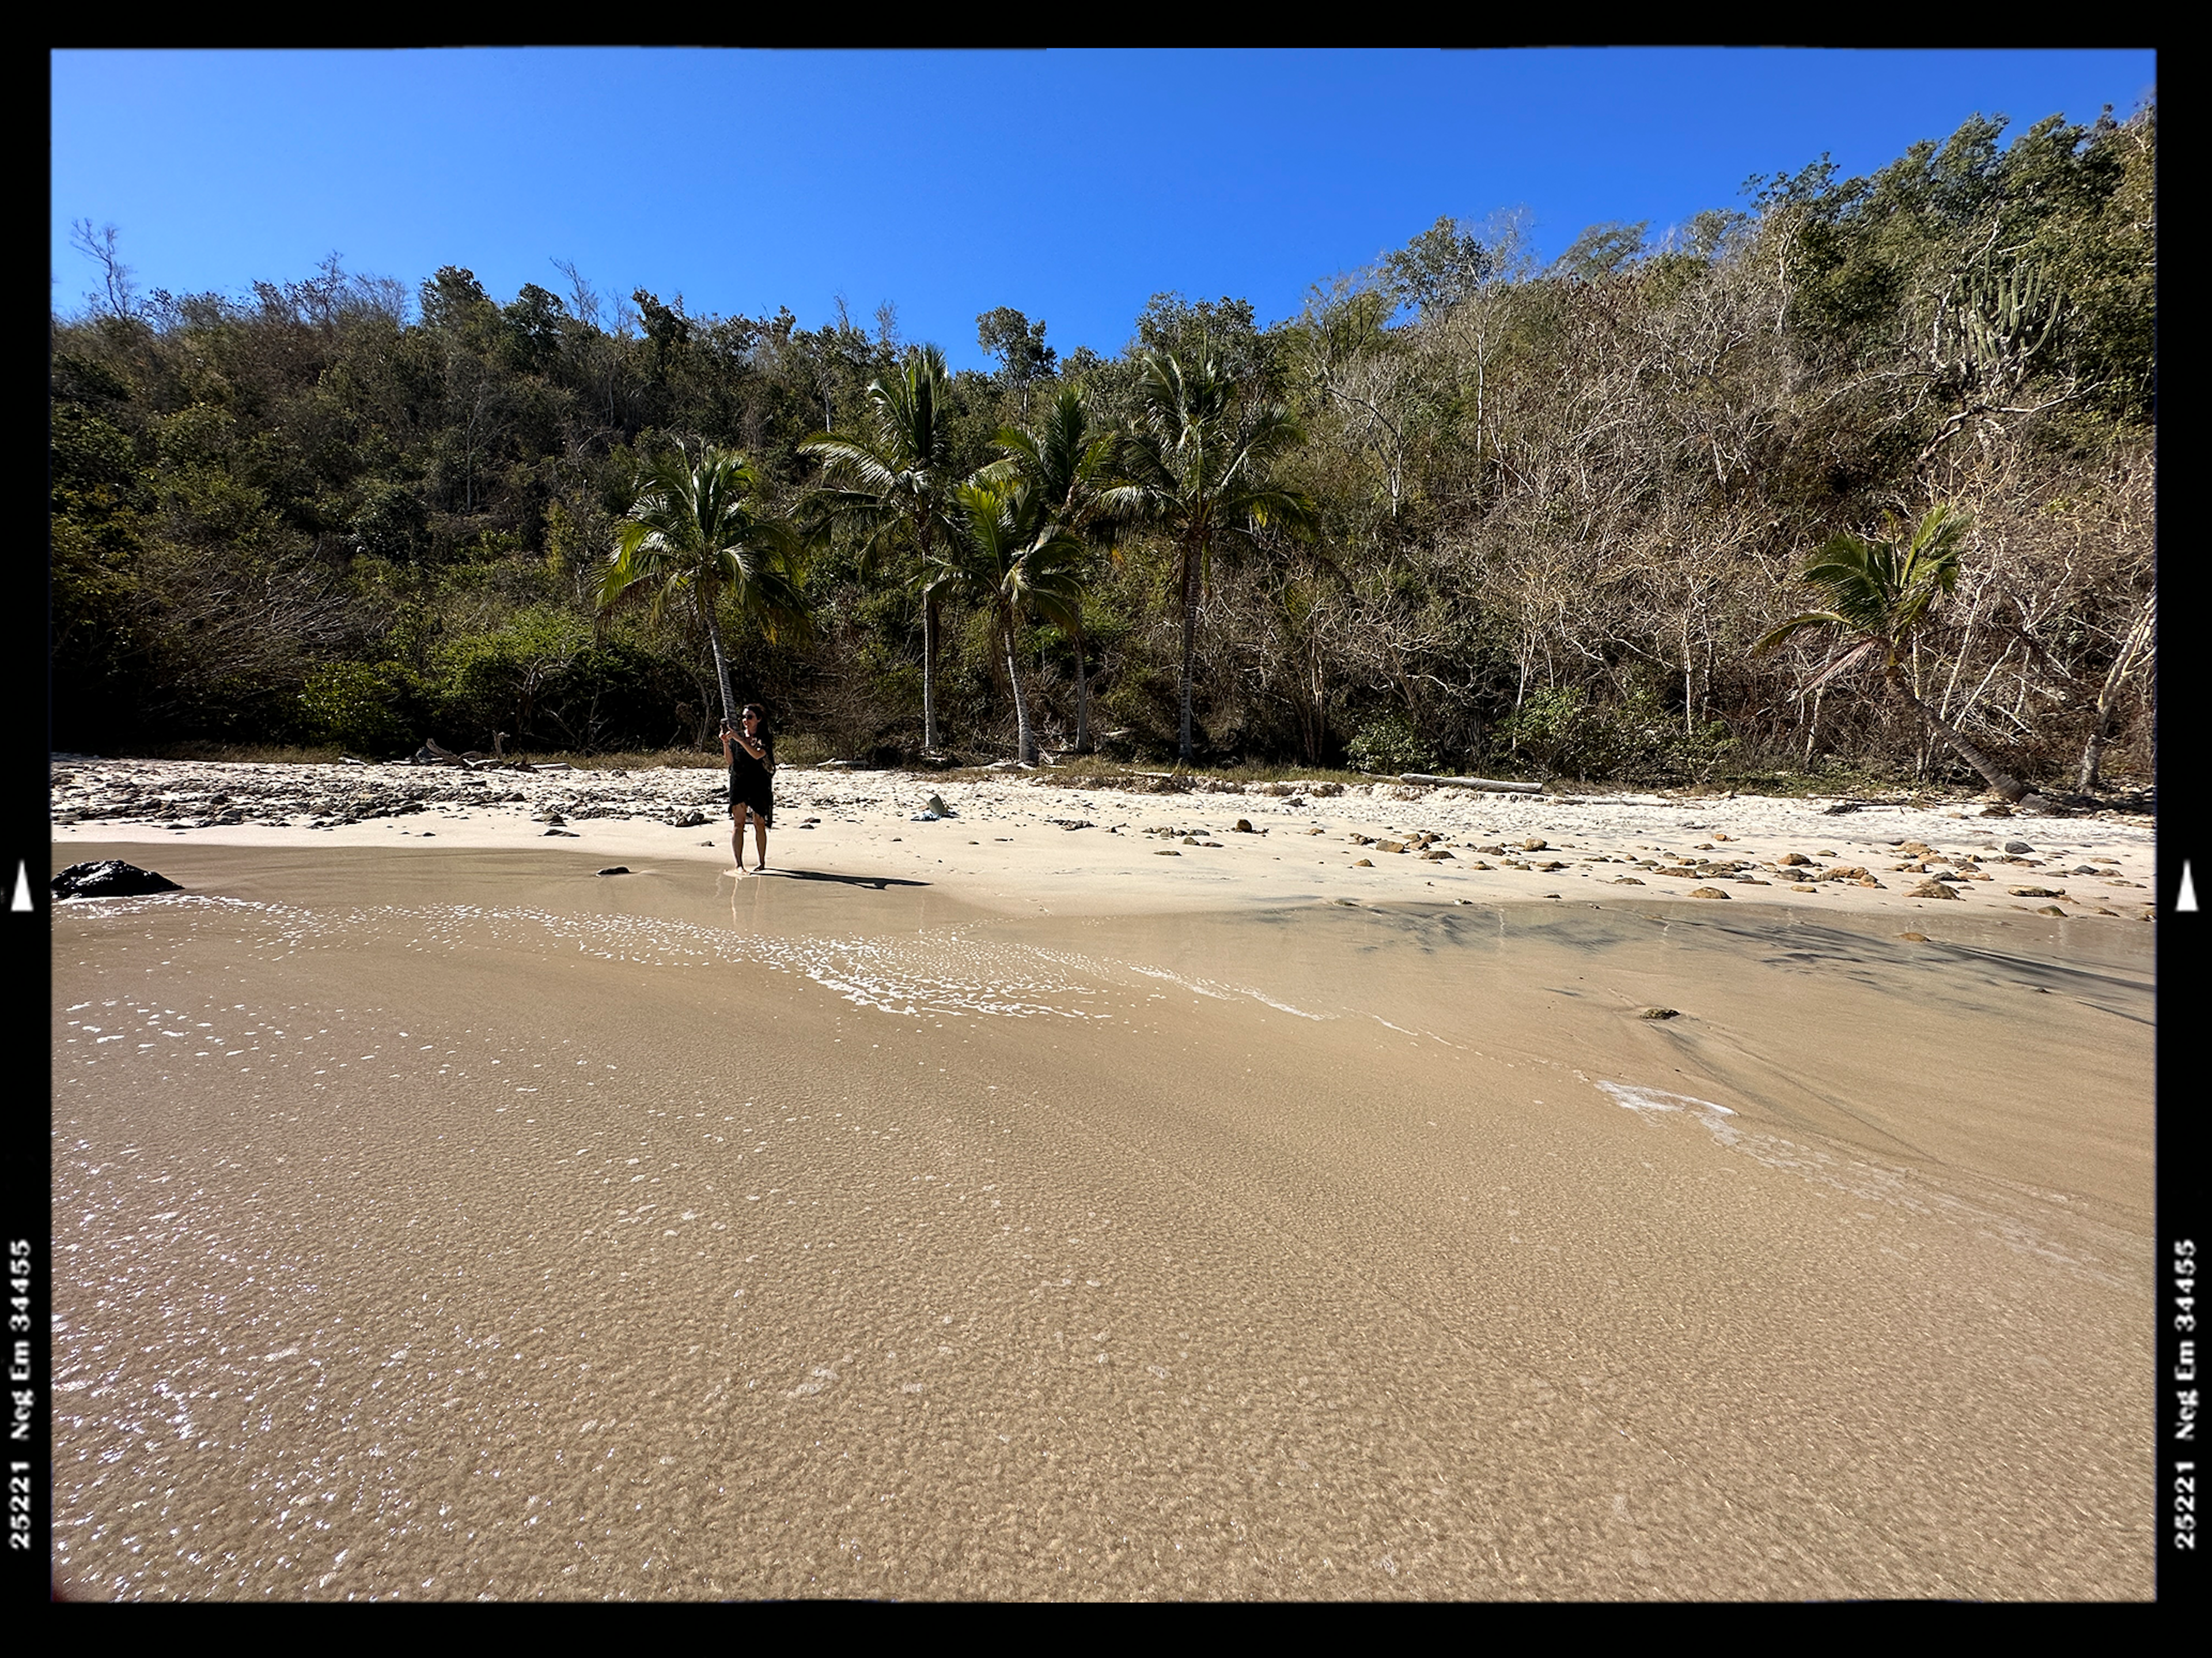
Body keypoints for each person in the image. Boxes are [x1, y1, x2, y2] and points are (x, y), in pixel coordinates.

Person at [721, 703, 776, 872]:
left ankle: (762, 862)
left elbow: (757, 754)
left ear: (759, 719)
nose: (746, 721)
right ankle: (739, 864)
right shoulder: (738, 737)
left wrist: (739, 739)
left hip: (759, 782)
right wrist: (726, 743)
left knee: (760, 822)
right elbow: (730, 761)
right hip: (739, 780)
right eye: (744, 717)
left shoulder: (764, 738)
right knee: (739, 823)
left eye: (750, 717)